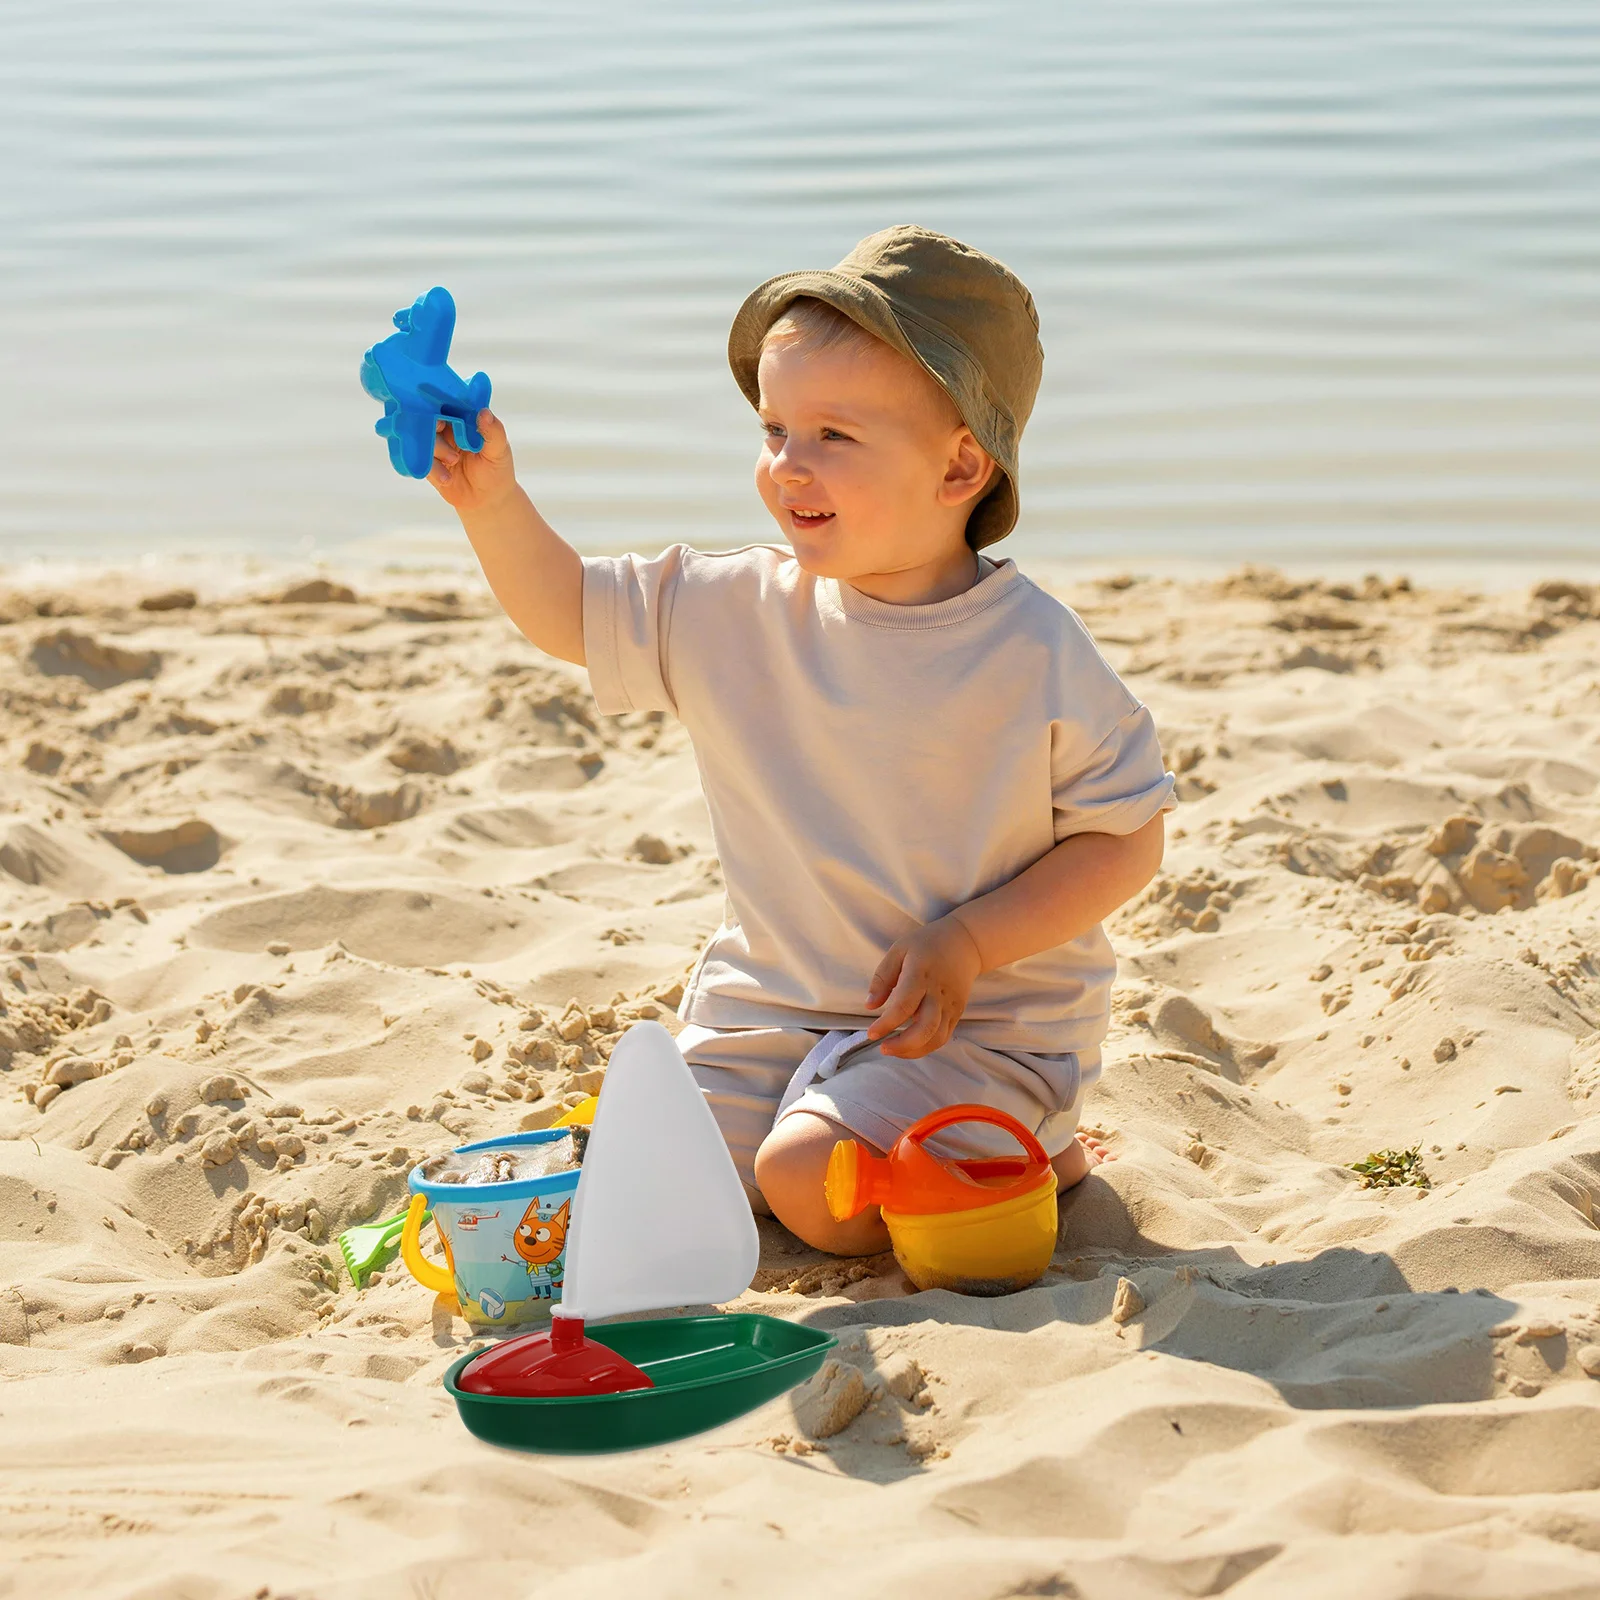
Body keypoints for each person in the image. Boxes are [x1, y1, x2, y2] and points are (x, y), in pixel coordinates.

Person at [426, 225, 1174, 1256]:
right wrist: (493, 503)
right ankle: (952, 1151)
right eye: (774, 428)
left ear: (959, 465)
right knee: (648, 1175)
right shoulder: (734, 606)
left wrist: (968, 942)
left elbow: (1124, 838)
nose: (787, 466)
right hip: (770, 1012)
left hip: (966, 1027)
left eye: (833, 435)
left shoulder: (1028, 648)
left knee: (801, 1183)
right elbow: (570, 612)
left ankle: (1022, 1142)